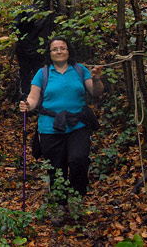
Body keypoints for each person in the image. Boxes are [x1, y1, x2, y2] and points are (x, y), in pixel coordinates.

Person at [19, 37, 103, 210]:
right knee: (56, 166)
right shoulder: (43, 73)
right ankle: (59, 203)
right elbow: (33, 97)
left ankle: (77, 196)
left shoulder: (80, 70)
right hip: (50, 127)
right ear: (49, 54)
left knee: (79, 160)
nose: (59, 52)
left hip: (78, 124)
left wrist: (96, 79)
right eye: (55, 49)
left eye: (62, 48)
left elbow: (96, 92)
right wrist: (27, 105)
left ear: (68, 51)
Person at [14, 0, 55, 97]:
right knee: (39, 75)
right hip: (40, 51)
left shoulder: (26, 11)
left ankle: (26, 98)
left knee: (25, 76)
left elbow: (15, 27)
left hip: (24, 49)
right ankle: (38, 99)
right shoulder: (50, 14)